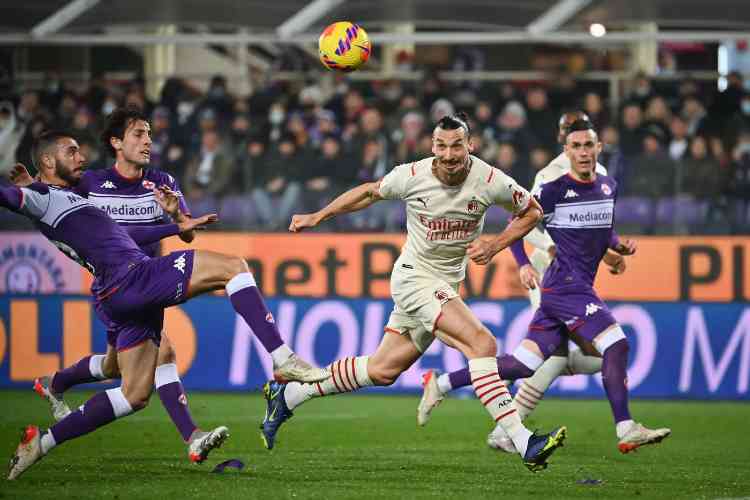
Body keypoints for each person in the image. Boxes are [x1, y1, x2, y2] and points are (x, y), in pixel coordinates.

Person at [5, 130, 328, 480]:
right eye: (71, 152)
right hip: (131, 277)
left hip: (116, 292)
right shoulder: (41, 195)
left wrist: (177, 226)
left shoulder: (61, 199)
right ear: (49, 161)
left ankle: (42, 442)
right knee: (233, 268)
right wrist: (22, 193)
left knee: (133, 394)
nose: (81, 157)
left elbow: (123, 234)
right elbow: (15, 198)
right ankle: (283, 359)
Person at [260, 113, 567, 473]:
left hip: (445, 284)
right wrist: (318, 216)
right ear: (432, 146)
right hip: (414, 278)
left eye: (457, 145)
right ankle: (522, 440)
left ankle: (290, 394)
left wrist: (497, 245)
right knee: (482, 345)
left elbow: (532, 210)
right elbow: (368, 192)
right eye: (442, 145)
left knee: (382, 370)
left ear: (470, 145)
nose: (449, 154)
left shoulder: (489, 179)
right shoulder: (412, 175)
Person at [420, 121, 671, 455]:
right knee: (617, 344)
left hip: (562, 290)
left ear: (598, 149)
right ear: (566, 152)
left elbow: (603, 228)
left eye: (588, 145)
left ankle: (440, 382)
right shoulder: (553, 188)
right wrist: (522, 262)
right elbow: (516, 222)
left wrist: (616, 247)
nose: (583, 152)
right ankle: (626, 427)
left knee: (522, 364)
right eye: (576, 146)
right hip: (567, 286)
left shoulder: (609, 185)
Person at [29, 106, 222, 465]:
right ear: (117, 142)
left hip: (150, 280)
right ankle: (193, 437)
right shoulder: (89, 183)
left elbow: (188, 232)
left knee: (117, 367)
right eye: (139, 134)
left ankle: (56, 381)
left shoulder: (163, 180)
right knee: (161, 353)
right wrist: (28, 189)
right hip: (117, 286)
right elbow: (52, 200)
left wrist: (175, 214)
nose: (148, 141)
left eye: (149, 135)